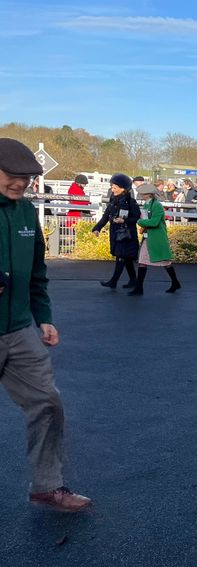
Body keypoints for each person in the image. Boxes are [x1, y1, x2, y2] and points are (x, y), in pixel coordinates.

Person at [0, 138, 91, 511]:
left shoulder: (25, 214)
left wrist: (45, 318)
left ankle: (47, 486)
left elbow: (37, 272)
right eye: (14, 175)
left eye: (28, 177)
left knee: (48, 404)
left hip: (20, 329)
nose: (22, 183)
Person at [130, 184, 182, 295]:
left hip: (156, 238)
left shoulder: (156, 205)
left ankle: (175, 282)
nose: (141, 195)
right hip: (149, 237)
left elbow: (154, 222)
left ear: (148, 194)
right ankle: (139, 288)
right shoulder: (148, 205)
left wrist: (140, 222)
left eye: (143, 193)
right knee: (142, 262)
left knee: (165, 262)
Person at [92, 173, 141, 289]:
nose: (112, 190)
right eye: (112, 187)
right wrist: (97, 228)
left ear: (123, 189)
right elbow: (105, 216)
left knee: (121, 256)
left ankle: (113, 281)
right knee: (126, 258)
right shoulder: (113, 201)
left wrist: (124, 221)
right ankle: (133, 280)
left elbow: (136, 217)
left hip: (126, 234)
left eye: (115, 187)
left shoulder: (131, 202)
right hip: (116, 232)